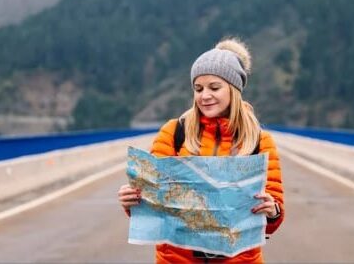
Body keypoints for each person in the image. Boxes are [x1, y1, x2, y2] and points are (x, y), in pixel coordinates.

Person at [118, 37, 284, 263]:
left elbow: (273, 219)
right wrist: (133, 201)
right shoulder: (174, 132)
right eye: (198, 88)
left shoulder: (258, 141)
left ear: (233, 90)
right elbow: (153, 206)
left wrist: (272, 210)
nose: (205, 95)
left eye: (214, 87)